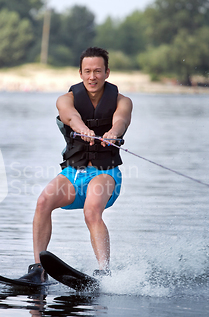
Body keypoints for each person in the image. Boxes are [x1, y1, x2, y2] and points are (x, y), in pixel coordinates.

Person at [20, 47, 133, 283]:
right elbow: (69, 115)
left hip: (105, 174)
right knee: (43, 202)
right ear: (80, 73)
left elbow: (121, 120)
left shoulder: (123, 101)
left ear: (107, 73)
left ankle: (104, 272)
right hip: (73, 174)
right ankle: (37, 270)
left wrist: (113, 132)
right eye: (88, 71)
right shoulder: (65, 99)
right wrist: (81, 128)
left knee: (91, 210)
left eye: (98, 71)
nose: (93, 76)